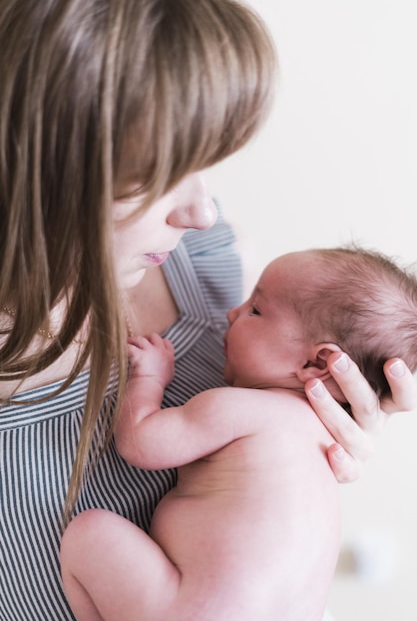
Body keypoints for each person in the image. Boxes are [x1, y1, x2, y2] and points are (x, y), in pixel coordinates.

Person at [0, 0, 415, 620]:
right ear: (42, 166)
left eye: (208, 165)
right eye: (161, 173)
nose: (203, 212)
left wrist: (331, 448)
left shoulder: (219, 264)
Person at [60, 246, 417, 621]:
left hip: (195, 611)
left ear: (316, 363)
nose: (233, 312)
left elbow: (140, 442)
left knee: (89, 532)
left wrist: (148, 377)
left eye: (256, 310)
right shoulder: (331, 440)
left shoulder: (238, 407)